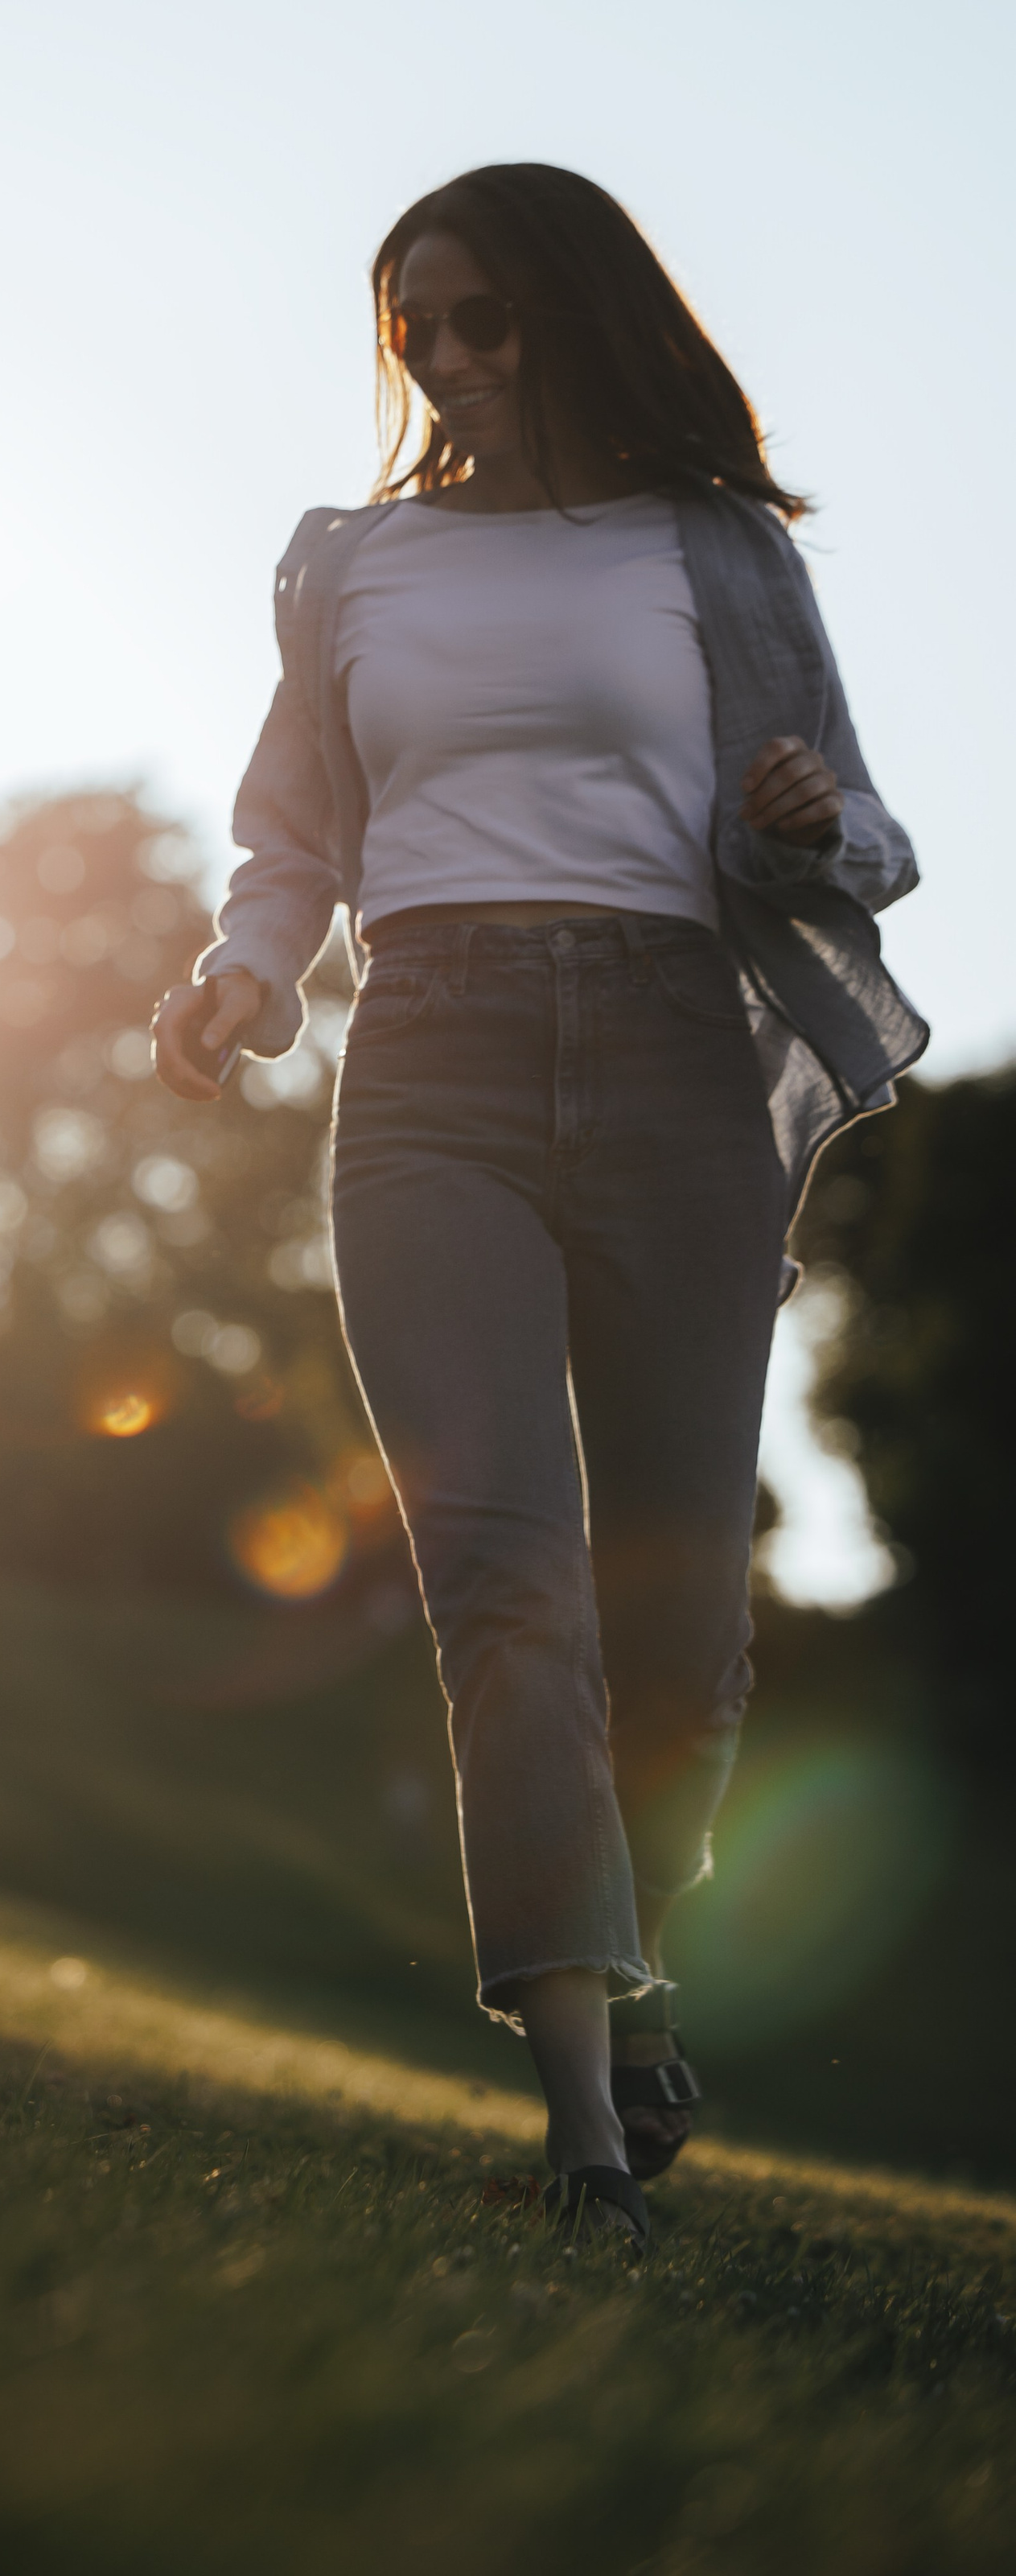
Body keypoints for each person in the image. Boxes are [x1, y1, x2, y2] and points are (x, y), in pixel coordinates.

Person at [152, 163, 924, 2248]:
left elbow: (859, 820)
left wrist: (798, 817)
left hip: (676, 1057)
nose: (454, 360)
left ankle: (641, 1960)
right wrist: (244, 967)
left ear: (576, 317)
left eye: (487, 317)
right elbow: (292, 834)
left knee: (675, 1618)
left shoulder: (714, 548)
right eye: (417, 329)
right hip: (434, 1067)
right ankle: (586, 2126)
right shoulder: (351, 565)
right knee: (505, 1580)